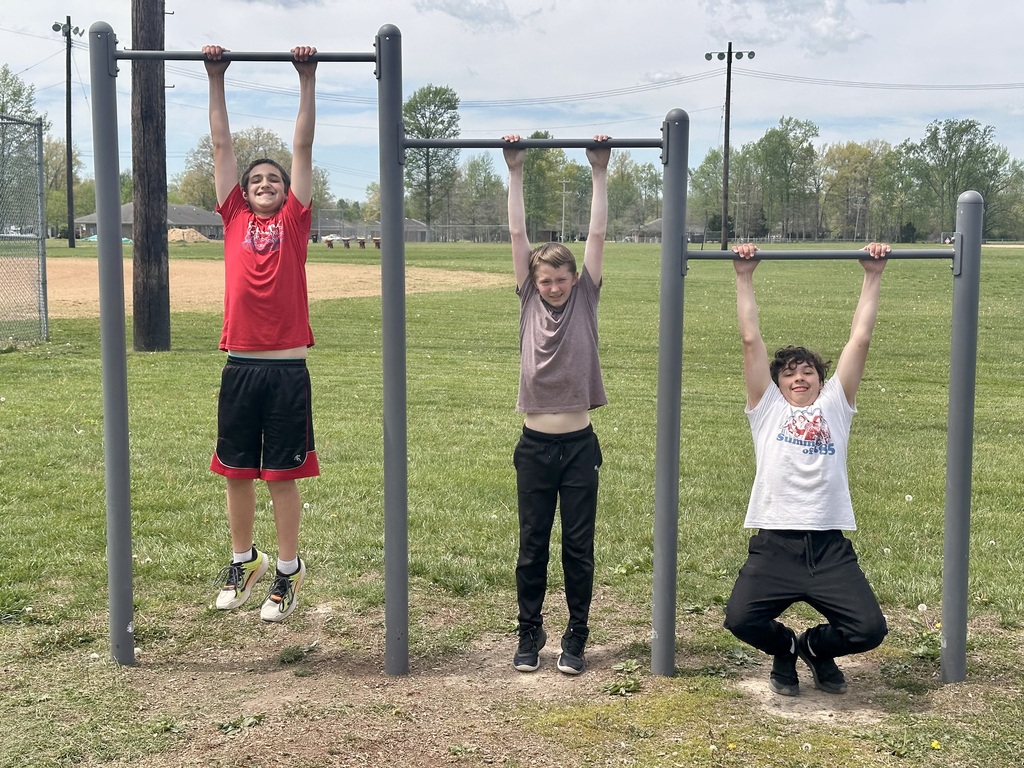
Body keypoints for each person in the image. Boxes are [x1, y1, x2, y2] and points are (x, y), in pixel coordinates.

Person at [723, 241, 892, 695]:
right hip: (775, 544)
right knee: (739, 619)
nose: (799, 378)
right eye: (789, 374)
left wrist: (871, 275)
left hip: (828, 547)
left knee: (870, 629)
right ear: (777, 385)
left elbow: (860, 340)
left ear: (821, 379)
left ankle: (815, 648)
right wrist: (744, 276)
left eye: (808, 373)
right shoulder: (767, 410)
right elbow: (750, 340)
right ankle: (784, 648)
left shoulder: (837, 405)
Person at [203, 44, 319, 622]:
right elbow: (222, 145)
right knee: (237, 470)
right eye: (258, 179)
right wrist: (215, 77)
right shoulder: (234, 219)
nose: (268, 182)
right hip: (241, 366)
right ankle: (243, 559)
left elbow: (303, 146)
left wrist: (307, 79)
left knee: (280, 476)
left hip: (287, 369)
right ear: (242, 193)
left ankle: (287, 572)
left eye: (274, 178)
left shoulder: (295, 221)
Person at [502, 134, 610, 675]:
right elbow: (518, 231)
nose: (552, 287)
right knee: (531, 547)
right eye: (544, 280)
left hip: (579, 445)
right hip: (535, 445)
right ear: (532, 282)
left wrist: (598, 170)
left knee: (578, 547)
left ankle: (577, 635)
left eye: (560, 280)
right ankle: (529, 632)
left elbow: (596, 232)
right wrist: (515, 171)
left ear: (576, 280)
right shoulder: (527, 296)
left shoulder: (586, 295)